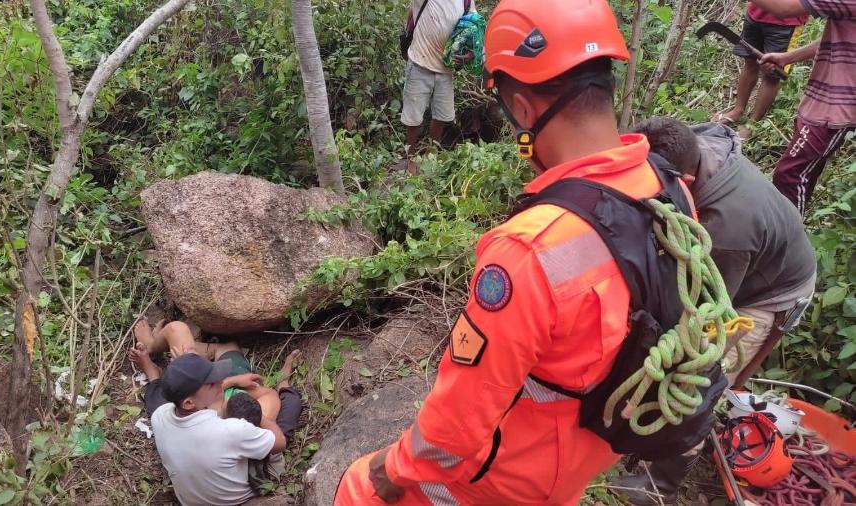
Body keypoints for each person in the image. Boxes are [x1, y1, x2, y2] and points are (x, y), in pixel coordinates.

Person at [334, 0, 706, 503]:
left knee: (359, 487)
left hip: (510, 474)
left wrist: (389, 468)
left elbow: (454, 432)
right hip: (588, 450)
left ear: (525, 109)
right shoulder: (670, 191)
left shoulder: (530, 250)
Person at [613, 117, 816, 504]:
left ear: (684, 184)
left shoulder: (727, 230)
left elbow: (707, 311)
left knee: (701, 374)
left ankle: (661, 486)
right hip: (759, 258)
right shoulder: (692, 142)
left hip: (769, 295)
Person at [129, 321, 302, 506]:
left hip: (193, 497)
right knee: (287, 403)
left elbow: (157, 396)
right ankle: (284, 383)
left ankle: (152, 368)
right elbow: (279, 443)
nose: (220, 382)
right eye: (212, 382)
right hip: (243, 493)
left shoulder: (161, 418)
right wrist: (258, 417)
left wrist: (151, 370)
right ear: (189, 402)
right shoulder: (232, 431)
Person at [754, 0, 855, 215]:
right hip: (825, 98)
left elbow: (784, 9)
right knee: (802, 172)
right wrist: (789, 57)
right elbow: (840, 34)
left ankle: (787, 239)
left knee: (791, 174)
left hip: (837, 105)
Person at [712, 1, 807, 140]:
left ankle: (753, 124)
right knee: (750, 62)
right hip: (756, 12)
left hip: (786, 22)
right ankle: (738, 110)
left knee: (772, 75)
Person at [401, 0, 475, 163]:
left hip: (446, 68)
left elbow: (472, 26)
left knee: (442, 116)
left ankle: (431, 155)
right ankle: (411, 159)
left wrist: (470, 53)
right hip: (420, 62)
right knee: (413, 119)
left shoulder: (466, 1)